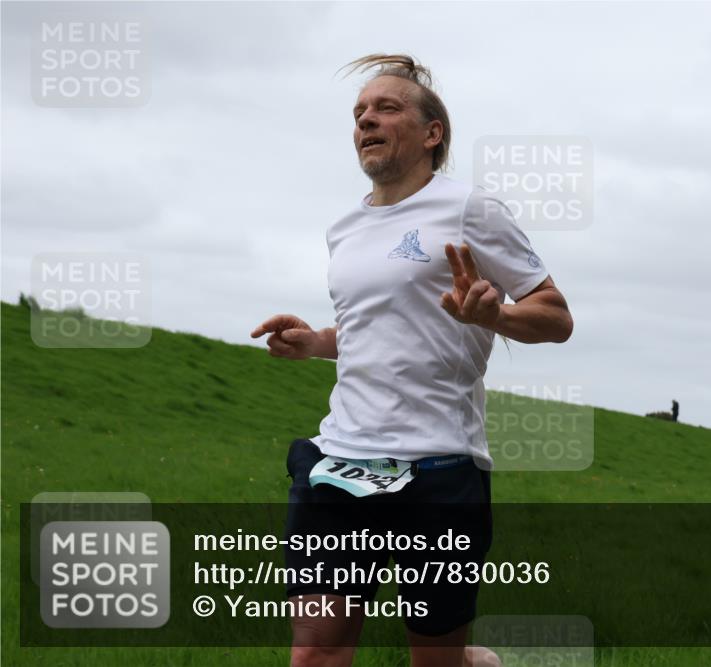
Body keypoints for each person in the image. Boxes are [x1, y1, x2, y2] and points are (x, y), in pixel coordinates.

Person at [251, 54, 573, 667]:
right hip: (340, 460)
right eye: (359, 113)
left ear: (432, 133)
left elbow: (556, 317)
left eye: (386, 108)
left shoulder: (471, 210)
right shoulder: (344, 227)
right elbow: (377, 330)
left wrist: (494, 317)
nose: (366, 120)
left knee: (435, 660)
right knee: (315, 652)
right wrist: (317, 341)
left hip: (439, 466)